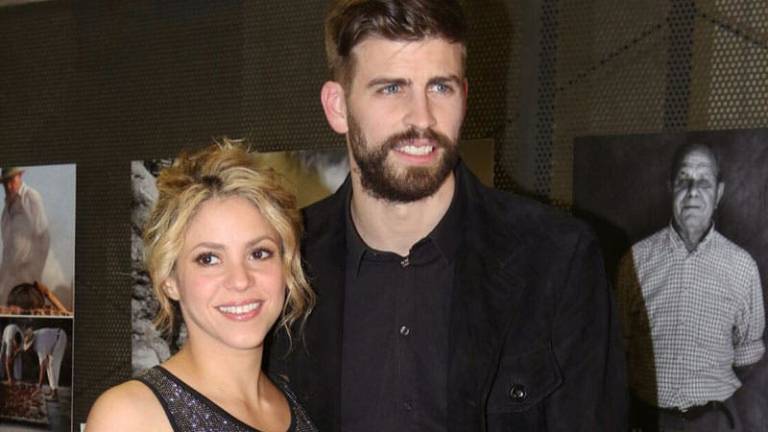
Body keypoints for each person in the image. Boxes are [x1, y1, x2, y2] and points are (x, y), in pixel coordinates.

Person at [267, 1, 627, 430]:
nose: (422, 118)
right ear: (338, 106)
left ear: (465, 96)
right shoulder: (280, 261)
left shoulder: (557, 259)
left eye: (441, 87)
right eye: (391, 88)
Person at [87, 142, 317, 431]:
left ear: (286, 264)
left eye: (259, 253)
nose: (240, 280)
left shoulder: (292, 403)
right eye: (208, 259)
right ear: (169, 280)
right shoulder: (130, 416)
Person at [617, 142, 765, 431]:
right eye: (683, 179)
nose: (693, 191)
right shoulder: (634, 261)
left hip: (716, 422)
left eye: (704, 181)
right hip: (646, 421)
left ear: (719, 193)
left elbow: (751, 360)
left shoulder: (742, 266)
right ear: (670, 187)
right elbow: (618, 348)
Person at [0, 167, 51, 305]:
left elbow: (44, 236)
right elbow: (6, 249)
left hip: (27, 273)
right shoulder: (5, 212)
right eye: (5, 183)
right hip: (10, 276)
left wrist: (34, 271)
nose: (8, 186)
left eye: (12, 180)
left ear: (20, 176)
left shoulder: (31, 197)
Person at [23, 326, 68, 399]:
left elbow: (42, 366)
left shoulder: (39, 345)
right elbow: (45, 363)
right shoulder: (33, 335)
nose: (29, 350)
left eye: (29, 347)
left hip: (59, 338)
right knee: (48, 365)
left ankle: (54, 393)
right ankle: (52, 389)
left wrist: (39, 386)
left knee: (53, 365)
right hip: (54, 340)